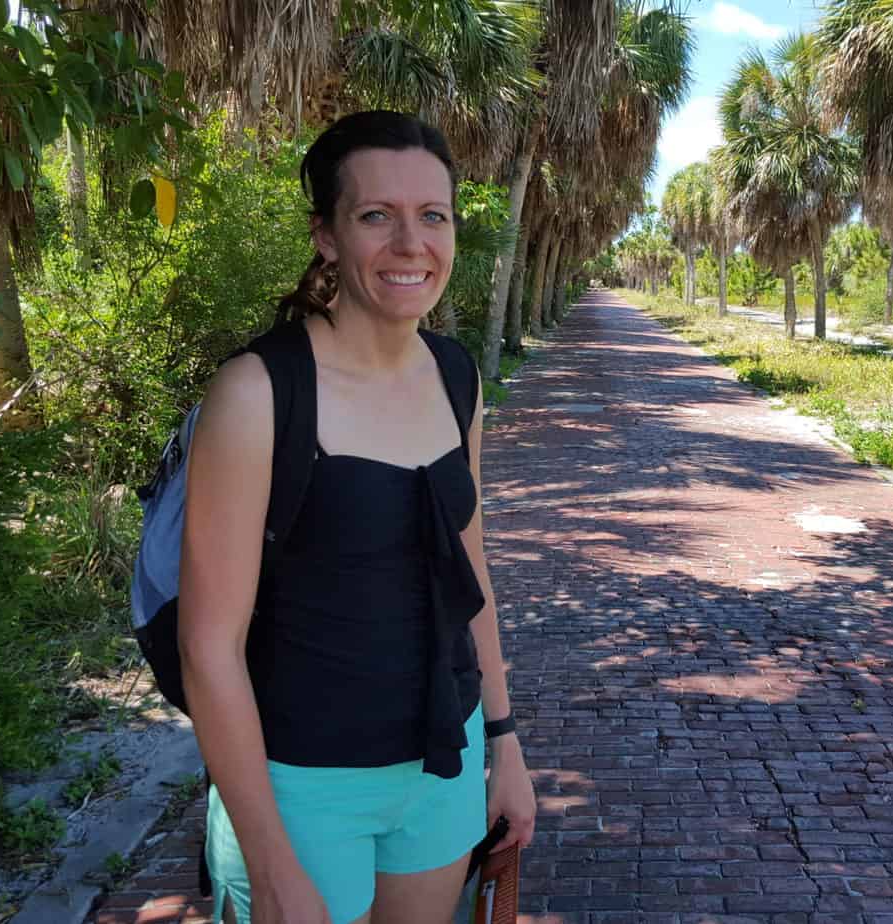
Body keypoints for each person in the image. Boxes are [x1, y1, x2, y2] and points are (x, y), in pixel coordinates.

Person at [177, 110, 537, 924]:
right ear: (328, 236)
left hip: (442, 767)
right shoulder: (260, 392)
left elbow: (468, 576)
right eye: (377, 215)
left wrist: (504, 743)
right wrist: (269, 868)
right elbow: (208, 648)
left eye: (432, 216)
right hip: (299, 784)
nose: (411, 243)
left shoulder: (456, 378)